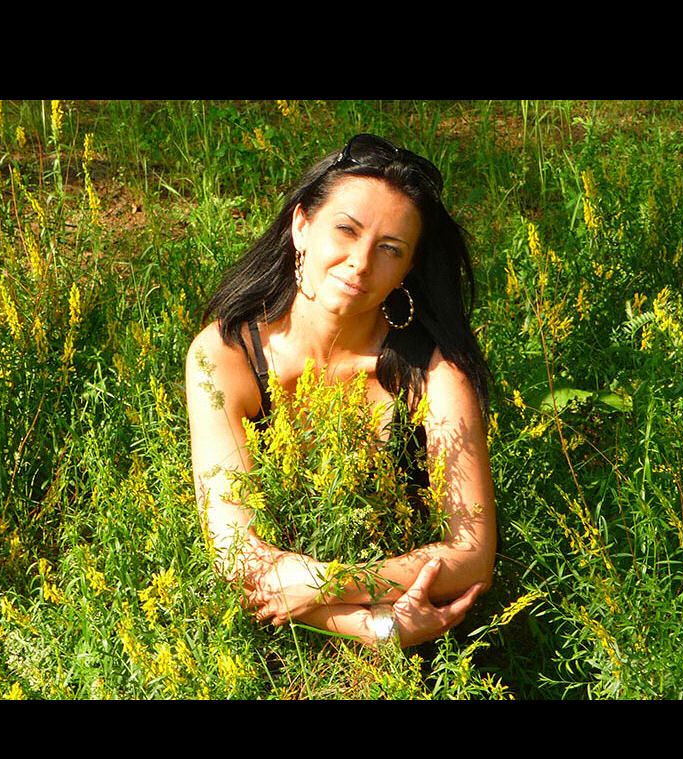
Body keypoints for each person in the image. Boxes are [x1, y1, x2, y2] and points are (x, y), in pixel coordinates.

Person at [186, 133, 496, 650]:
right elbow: (234, 554)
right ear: (301, 226)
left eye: (390, 249)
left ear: (408, 269)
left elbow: (472, 552)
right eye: (346, 230)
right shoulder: (225, 355)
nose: (361, 262)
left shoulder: (434, 372)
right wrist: (375, 627)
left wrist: (324, 583)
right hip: (263, 647)